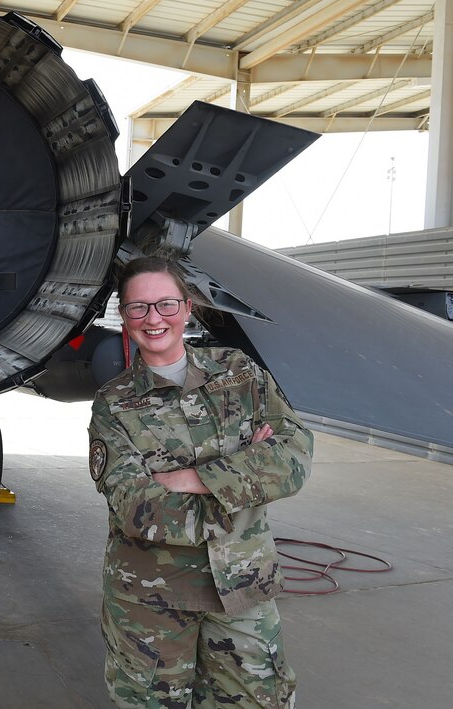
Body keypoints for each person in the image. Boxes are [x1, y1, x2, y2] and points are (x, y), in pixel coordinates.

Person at [88, 256, 312, 708]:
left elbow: (293, 455)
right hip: (151, 596)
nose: (154, 318)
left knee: (256, 700)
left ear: (187, 308)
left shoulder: (240, 372)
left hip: (243, 584)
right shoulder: (113, 406)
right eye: (139, 308)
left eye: (166, 304)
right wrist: (245, 476)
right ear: (125, 316)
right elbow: (135, 506)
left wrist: (192, 478)